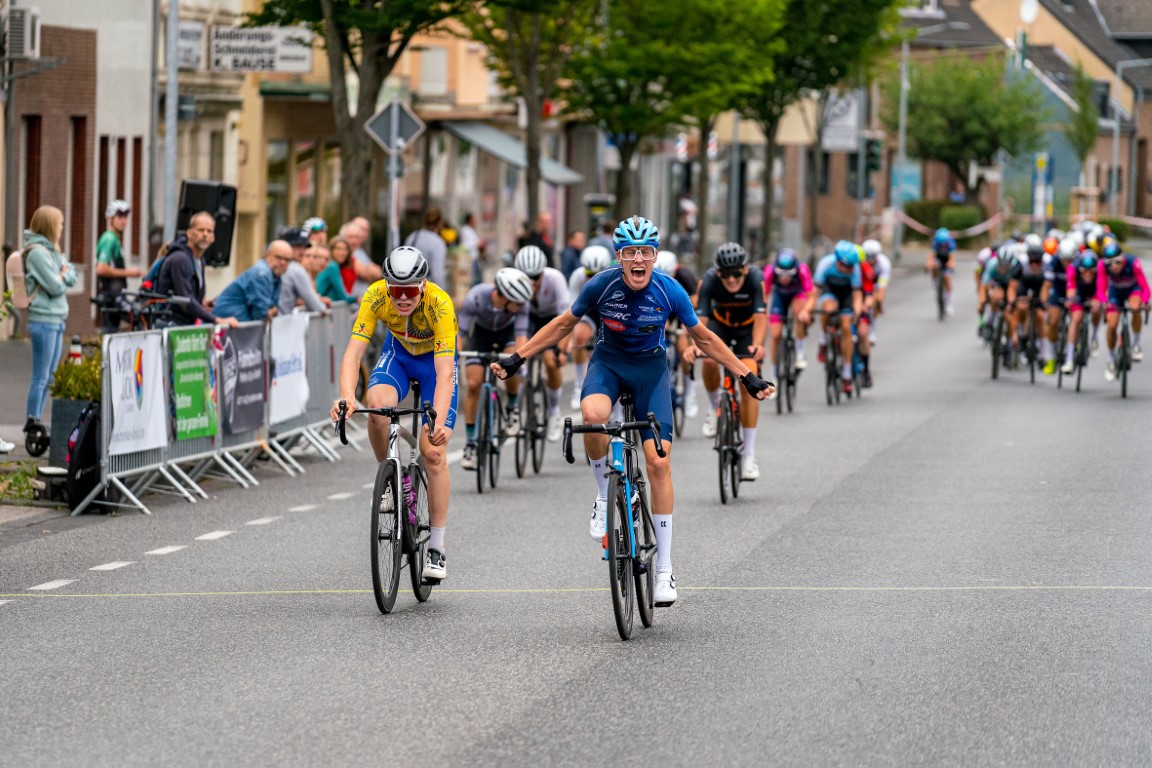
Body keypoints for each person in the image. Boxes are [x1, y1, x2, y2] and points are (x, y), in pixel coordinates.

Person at [490, 216, 774, 608]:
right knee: (592, 414)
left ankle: (665, 570)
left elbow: (704, 338)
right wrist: (518, 357)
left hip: (651, 372)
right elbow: (561, 327)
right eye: (629, 253)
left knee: (658, 462)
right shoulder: (601, 285)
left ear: (654, 256)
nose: (638, 260)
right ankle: (604, 495)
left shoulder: (668, 289)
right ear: (619, 256)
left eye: (645, 252)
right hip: (608, 365)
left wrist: (746, 376)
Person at [330, 246, 458, 582]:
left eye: (410, 291)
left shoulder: (440, 304)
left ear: (423, 286)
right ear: (386, 286)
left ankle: (438, 549)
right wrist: (346, 397)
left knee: (433, 453)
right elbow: (353, 351)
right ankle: (389, 477)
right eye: (395, 291)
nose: (402, 298)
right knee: (376, 408)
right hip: (398, 358)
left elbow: (445, 373)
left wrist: (440, 422)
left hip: (433, 367)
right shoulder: (374, 296)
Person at [686, 242, 767, 480]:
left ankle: (749, 456)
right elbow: (698, 321)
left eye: (736, 274)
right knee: (710, 362)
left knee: (750, 379)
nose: (731, 280)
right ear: (717, 272)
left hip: (746, 331)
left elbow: (761, 318)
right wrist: (693, 347)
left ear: (745, 269)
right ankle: (714, 408)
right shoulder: (709, 280)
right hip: (719, 327)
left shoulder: (755, 278)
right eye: (725, 275)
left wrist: (758, 345)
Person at [458, 267, 534, 469]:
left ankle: (512, 409)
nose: (520, 307)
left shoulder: (521, 305)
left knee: (510, 366)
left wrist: (518, 361)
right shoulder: (476, 297)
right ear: (504, 298)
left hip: (507, 336)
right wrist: (454, 357)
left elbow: (520, 337)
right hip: (481, 336)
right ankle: (471, 444)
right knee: (473, 384)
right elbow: (460, 333)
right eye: (516, 303)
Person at [22, 205, 76, 443]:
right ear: (50, 226)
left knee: (50, 377)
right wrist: (62, 275)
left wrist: (63, 275)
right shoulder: (36, 253)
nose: (62, 228)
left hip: (57, 319)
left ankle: (38, 419)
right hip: (43, 320)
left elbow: (71, 274)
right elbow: (55, 287)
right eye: (60, 224)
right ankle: (31, 420)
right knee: (40, 376)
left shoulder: (53, 252)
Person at [514, 245, 572, 441]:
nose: (531, 282)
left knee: (550, 361)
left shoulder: (556, 280)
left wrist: (560, 352)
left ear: (542, 273)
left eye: (535, 277)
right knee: (516, 357)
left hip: (552, 319)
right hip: (526, 319)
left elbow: (566, 320)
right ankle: (519, 401)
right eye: (526, 276)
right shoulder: (515, 282)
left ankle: (554, 410)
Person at [155, 212, 238, 328]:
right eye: (200, 230)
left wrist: (202, 304)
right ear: (189, 233)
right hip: (168, 326)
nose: (205, 234)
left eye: (209, 231)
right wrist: (217, 320)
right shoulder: (180, 259)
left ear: (213, 238)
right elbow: (186, 301)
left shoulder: (200, 260)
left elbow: (190, 298)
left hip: (184, 325)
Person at [565, 244, 612, 409]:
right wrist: (571, 338)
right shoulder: (577, 277)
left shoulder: (616, 276)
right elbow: (572, 311)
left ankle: (620, 414)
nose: (591, 279)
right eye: (588, 274)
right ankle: (578, 385)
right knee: (579, 336)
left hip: (611, 312)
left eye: (596, 274)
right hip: (590, 312)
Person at [814, 240, 864, 395]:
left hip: (846, 294)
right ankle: (823, 339)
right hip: (830, 290)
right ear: (837, 261)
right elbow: (815, 291)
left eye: (851, 266)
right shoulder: (825, 264)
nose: (849, 269)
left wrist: (857, 309)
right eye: (846, 266)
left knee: (846, 327)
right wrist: (807, 309)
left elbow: (857, 294)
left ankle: (847, 374)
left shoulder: (855, 269)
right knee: (828, 308)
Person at [1097, 236, 1150, 381]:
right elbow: (1100, 289)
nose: (1114, 267)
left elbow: (1145, 288)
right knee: (1112, 325)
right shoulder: (1102, 265)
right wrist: (1104, 302)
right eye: (1110, 264)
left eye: (1117, 262)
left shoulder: (1134, 263)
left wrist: (1145, 302)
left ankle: (1136, 345)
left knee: (1135, 307)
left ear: (1122, 258)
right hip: (1115, 292)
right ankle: (1111, 360)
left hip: (1133, 289)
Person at [212, 241, 292, 322]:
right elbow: (261, 314)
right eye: (278, 257)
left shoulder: (276, 276)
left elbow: (272, 309)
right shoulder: (261, 273)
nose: (282, 262)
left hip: (236, 327)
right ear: (267, 255)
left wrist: (272, 311)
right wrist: (271, 311)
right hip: (223, 328)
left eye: (287, 260)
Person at [765, 248, 814, 376]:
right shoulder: (769, 271)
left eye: (789, 275)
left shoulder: (802, 270)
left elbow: (811, 296)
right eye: (781, 274)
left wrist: (806, 311)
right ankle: (774, 375)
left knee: (800, 311)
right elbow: (764, 295)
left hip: (797, 294)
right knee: (775, 335)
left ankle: (800, 353)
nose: (785, 278)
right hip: (779, 297)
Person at [94, 199, 142, 333]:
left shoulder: (114, 239)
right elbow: (101, 269)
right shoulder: (109, 239)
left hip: (116, 296)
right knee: (139, 319)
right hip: (113, 297)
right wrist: (129, 273)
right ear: (110, 218)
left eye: (126, 216)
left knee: (113, 333)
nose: (124, 220)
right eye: (120, 216)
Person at [1061, 244, 1101, 374]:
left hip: (1094, 291)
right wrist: (1069, 299)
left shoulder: (1101, 270)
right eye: (1084, 271)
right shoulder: (1073, 268)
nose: (1088, 274)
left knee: (1097, 309)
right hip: (1079, 291)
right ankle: (1069, 359)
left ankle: (1094, 337)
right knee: (1076, 318)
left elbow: (1102, 289)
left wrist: (1099, 301)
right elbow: (1071, 288)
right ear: (1080, 269)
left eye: (1091, 271)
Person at [276, 226, 327, 315]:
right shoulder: (295, 269)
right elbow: (313, 303)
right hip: (282, 322)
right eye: (298, 246)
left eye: (304, 247)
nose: (302, 251)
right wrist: (324, 310)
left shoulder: (276, 264)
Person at [405, 208, 448, 288]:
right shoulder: (437, 243)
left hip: (407, 286)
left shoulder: (412, 237)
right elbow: (437, 276)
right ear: (440, 223)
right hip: (426, 290)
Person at [341, 217, 382, 297]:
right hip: (351, 302)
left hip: (361, 301)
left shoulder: (360, 251)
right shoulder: (343, 253)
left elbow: (378, 273)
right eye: (350, 237)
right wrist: (370, 271)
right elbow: (364, 273)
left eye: (356, 237)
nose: (354, 241)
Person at [928, 227, 956, 315]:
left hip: (947, 258)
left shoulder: (950, 242)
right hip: (939, 257)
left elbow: (952, 257)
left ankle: (950, 302)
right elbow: (932, 256)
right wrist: (929, 264)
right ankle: (935, 282)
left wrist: (950, 264)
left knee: (947, 278)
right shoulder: (935, 242)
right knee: (934, 267)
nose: (943, 244)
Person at [459, 212, 482, 286]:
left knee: (477, 280)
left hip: (475, 258)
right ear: (469, 220)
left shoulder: (471, 231)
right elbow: (465, 245)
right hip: (470, 259)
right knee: (472, 280)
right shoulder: (465, 230)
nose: (475, 221)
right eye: (473, 219)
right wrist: (477, 244)